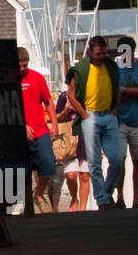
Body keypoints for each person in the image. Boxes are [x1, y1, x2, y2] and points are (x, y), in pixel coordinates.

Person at [66, 35, 124, 210]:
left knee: (118, 158)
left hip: (109, 115)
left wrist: (115, 110)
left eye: (104, 53)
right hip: (90, 117)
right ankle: (102, 200)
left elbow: (117, 89)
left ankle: (106, 191)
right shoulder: (81, 69)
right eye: (98, 53)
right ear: (90, 52)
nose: (101, 56)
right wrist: (84, 114)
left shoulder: (111, 67)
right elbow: (71, 95)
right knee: (94, 161)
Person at [18, 48, 58, 213]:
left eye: (25, 65)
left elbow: (48, 102)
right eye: (19, 66)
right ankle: (28, 209)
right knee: (23, 172)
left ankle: (39, 193)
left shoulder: (37, 77)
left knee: (49, 163)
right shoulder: (6, 79)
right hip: (20, 134)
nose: (22, 69)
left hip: (40, 130)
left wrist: (54, 124)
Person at [115, 35, 138, 209]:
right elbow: (114, 94)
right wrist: (131, 92)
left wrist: (125, 91)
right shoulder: (116, 69)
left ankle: (136, 200)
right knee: (119, 159)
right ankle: (120, 196)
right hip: (120, 122)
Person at [54, 88, 90, 211]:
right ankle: (74, 198)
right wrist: (66, 110)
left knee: (85, 175)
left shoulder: (88, 96)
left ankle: (83, 208)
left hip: (85, 137)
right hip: (69, 139)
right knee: (71, 175)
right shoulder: (64, 97)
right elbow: (57, 118)